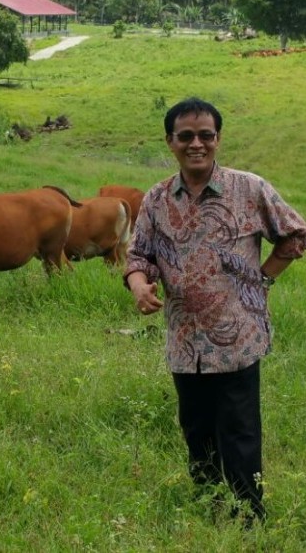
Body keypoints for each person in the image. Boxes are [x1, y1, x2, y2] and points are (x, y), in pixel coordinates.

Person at [124, 97, 306, 524]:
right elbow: (139, 256)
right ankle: (209, 507)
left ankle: (249, 517)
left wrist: (262, 280)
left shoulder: (250, 188)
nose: (197, 144)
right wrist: (138, 286)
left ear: (218, 139)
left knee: (240, 431)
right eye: (185, 136)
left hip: (238, 337)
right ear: (170, 141)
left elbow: (295, 234)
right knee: (196, 427)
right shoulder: (155, 199)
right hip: (185, 341)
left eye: (206, 135)